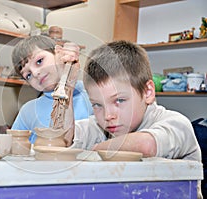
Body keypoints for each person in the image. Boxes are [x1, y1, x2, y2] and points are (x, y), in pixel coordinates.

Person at [72, 40, 202, 198]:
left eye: (119, 100)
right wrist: (64, 89)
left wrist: (95, 150)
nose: (108, 116)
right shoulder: (100, 126)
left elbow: (146, 145)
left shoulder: (177, 123)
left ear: (147, 92)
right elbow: (62, 138)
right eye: (97, 105)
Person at [11, 35, 93, 144]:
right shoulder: (28, 111)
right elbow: (14, 148)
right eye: (28, 75)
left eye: (39, 61)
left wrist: (68, 82)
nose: (35, 73)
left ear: (58, 52)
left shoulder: (91, 94)